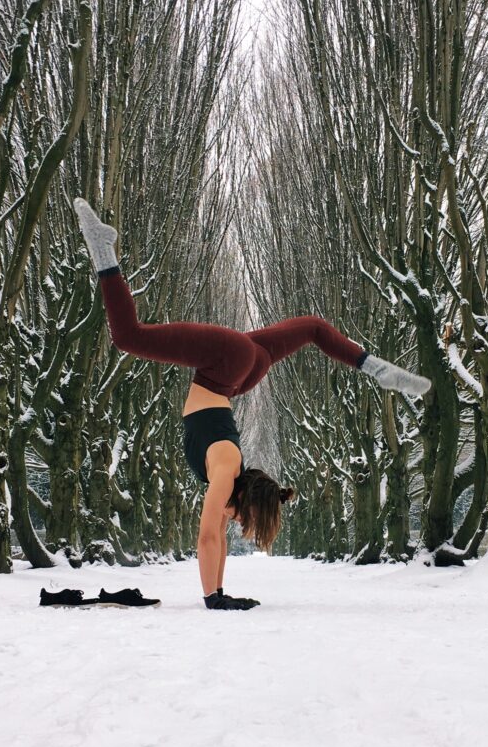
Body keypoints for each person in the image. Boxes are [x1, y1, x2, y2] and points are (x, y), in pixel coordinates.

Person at [74, 199, 430, 610]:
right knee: (129, 337)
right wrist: (213, 599)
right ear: (247, 499)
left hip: (241, 369)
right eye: (247, 519)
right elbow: (207, 536)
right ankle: (103, 249)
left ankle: (371, 366)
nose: (240, 522)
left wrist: (220, 593)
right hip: (227, 364)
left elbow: (217, 537)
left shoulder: (227, 479)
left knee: (313, 327)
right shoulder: (226, 466)